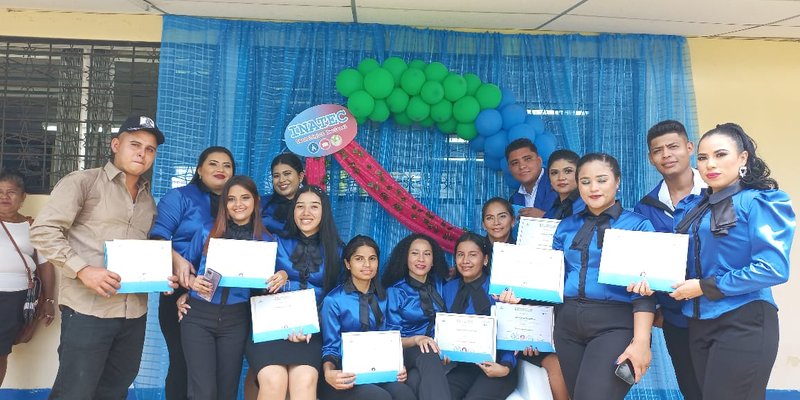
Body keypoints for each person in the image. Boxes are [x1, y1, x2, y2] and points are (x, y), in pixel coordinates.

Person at [30, 115, 177, 399]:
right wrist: (83, 270)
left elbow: (147, 250)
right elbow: (43, 231)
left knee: (115, 390)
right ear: (115, 144)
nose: (142, 153)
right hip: (88, 310)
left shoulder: (148, 199)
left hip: (133, 312)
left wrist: (162, 274)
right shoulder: (83, 182)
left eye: (150, 149)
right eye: (135, 144)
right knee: (75, 391)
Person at [671, 123, 794, 399]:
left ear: (743, 158)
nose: (709, 164)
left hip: (744, 320)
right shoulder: (692, 209)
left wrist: (705, 286)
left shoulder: (761, 201)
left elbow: (772, 268)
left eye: (720, 154)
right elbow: (679, 263)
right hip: (698, 322)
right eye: (702, 158)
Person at [552, 153, 656, 400]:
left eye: (601, 179)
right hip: (567, 326)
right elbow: (552, 279)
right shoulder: (565, 227)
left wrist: (642, 341)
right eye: (585, 181)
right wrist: (519, 294)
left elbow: (645, 292)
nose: (593, 188)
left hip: (615, 324)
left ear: (617, 181)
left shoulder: (638, 226)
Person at [178, 175, 284, 400]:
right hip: (198, 315)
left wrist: (281, 276)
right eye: (231, 199)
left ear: (256, 201)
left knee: (227, 391)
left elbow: (275, 282)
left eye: (245, 198)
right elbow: (184, 268)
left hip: (237, 320)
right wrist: (190, 283)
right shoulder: (208, 231)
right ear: (224, 204)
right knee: (203, 392)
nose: (238, 204)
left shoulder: (266, 240)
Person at [149, 145, 235, 400]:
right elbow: (156, 238)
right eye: (213, 163)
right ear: (199, 170)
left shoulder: (238, 204)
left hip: (225, 297)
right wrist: (177, 259)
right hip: (182, 290)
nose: (220, 169)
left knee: (218, 370)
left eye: (227, 165)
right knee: (183, 363)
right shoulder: (179, 197)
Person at [246, 185, 343, 400]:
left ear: (324, 211)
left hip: (310, 332)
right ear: (293, 211)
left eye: (314, 207)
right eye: (300, 206)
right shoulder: (274, 241)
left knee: (305, 380)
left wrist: (312, 325)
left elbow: (339, 300)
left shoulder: (338, 251)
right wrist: (275, 277)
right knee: (274, 380)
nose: (306, 212)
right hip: (269, 327)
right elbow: (252, 285)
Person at [633, 120, 704, 400]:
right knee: (692, 390)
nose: (667, 155)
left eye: (673, 146)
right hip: (677, 320)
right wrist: (657, 307)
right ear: (651, 158)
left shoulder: (717, 193)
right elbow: (645, 264)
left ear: (689, 148)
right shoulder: (645, 207)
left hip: (722, 313)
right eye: (658, 150)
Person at [483, 198, 570, 400]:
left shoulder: (530, 252)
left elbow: (542, 301)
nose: (496, 222)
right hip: (488, 339)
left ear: (513, 221)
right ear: (483, 223)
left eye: (502, 216)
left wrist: (532, 337)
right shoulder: (475, 254)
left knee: (556, 364)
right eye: (490, 217)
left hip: (523, 334)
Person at [319, 235, 414, 400]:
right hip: (346, 374)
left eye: (372, 259)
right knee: (379, 397)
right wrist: (329, 373)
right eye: (359, 259)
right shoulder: (333, 300)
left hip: (378, 370)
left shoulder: (384, 297)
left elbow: (391, 337)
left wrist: (398, 366)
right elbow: (330, 347)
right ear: (348, 264)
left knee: (405, 394)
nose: (367, 265)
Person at [442, 232, 518, 400]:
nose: (465, 261)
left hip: (498, 365)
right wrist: (442, 351)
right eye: (460, 255)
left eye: (473, 255)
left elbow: (510, 331)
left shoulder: (500, 289)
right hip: (463, 365)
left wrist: (505, 367)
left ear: (485, 260)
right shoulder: (447, 289)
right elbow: (440, 326)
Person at [0, 170, 56, 385]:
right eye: (0, 192)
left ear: (23, 197)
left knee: (1, 352)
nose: (4, 197)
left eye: (11, 192)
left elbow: (45, 265)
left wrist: (49, 301)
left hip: (14, 299)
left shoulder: (32, 226)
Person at [382, 233, 451, 400]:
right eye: (415, 253)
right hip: (404, 350)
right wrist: (417, 340)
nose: (421, 259)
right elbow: (390, 338)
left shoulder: (441, 285)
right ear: (405, 258)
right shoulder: (395, 291)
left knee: (414, 382)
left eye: (427, 254)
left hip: (431, 354)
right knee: (428, 355)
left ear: (434, 260)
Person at [505, 138, 558, 219]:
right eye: (515, 163)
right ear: (510, 169)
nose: (522, 166)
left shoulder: (559, 183)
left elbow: (577, 218)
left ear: (539, 161)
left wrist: (544, 217)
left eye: (527, 159)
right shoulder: (513, 200)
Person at [262, 152, 305, 235]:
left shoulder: (310, 206)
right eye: (276, 176)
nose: (281, 180)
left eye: (287, 174)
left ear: (300, 176)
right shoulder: (261, 204)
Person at [544, 149, 585, 219]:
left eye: (568, 171)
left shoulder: (588, 206)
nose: (561, 178)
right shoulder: (554, 208)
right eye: (554, 173)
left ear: (579, 174)